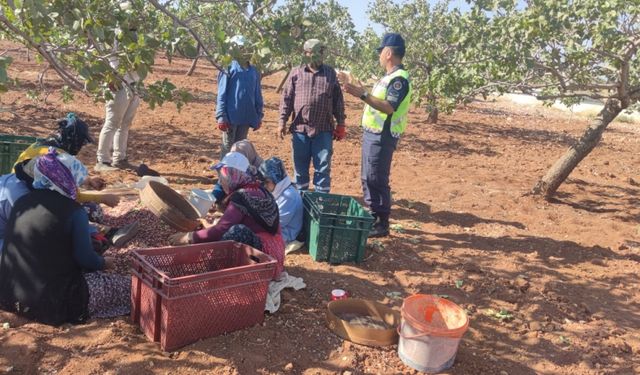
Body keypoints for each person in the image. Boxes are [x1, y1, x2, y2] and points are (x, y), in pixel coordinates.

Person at [0, 149, 130, 325]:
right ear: (69, 181)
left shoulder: (23, 202)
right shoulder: (74, 212)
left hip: (9, 295)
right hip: (51, 303)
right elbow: (85, 259)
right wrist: (103, 263)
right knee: (129, 288)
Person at [169, 152, 285, 279]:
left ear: (233, 175)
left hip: (266, 256)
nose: (220, 181)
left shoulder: (242, 196)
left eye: (222, 176)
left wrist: (188, 237)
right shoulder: (258, 189)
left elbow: (221, 230)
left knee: (236, 232)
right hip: (276, 251)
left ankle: (214, 275)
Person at [341, 33, 412, 237]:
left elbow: (389, 107)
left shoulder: (399, 79)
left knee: (377, 177)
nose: (379, 56)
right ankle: (373, 215)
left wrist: (361, 94)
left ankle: (382, 223)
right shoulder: (389, 77)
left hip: (383, 136)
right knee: (367, 176)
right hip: (373, 134)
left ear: (388, 53)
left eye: (381, 52)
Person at [278, 39, 346, 193]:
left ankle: (321, 200)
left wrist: (341, 124)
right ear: (306, 54)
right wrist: (281, 121)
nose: (319, 56)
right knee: (300, 168)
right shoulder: (296, 72)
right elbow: (287, 99)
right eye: (315, 53)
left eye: (321, 53)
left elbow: (338, 101)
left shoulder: (330, 73)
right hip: (300, 129)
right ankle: (301, 199)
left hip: (323, 130)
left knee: (323, 168)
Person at [14, 113, 120, 208]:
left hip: (16, 190)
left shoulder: (42, 147)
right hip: (22, 198)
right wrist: (103, 198)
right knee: (80, 208)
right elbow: (75, 195)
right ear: (73, 139)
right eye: (81, 142)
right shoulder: (57, 157)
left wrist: (88, 180)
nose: (80, 146)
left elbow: (62, 176)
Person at [95, 28, 141, 172]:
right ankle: (102, 160)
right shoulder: (115, 36)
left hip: (133, 85)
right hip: (118, 85)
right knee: (112, 123)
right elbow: (102, 57)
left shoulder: (137, 37)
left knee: (125, 124)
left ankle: (120, 159)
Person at [216, 35, 264, 159]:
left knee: (240, 148)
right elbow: (222, 93)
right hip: (231, 117)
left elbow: (257, 93)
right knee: (228, 148)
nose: (244, 51)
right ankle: (224, 176)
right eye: (240, 48)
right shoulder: (228, 68)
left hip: (246, 117)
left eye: (245, 48)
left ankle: (237, 176)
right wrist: (221, 116)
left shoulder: (254, 71)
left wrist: (258, 115)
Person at [259, 157, 304, 254]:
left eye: (267, 182)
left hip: (284, 235)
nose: (264, 185)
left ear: (276, 179)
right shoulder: (279, 190)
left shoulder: (288, 197)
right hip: (276, 229)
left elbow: (273, 224)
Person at [212, 139, 263, 205]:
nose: (235, 157)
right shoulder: (232, 169)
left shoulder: (261, 173)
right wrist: (213, 198)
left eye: (238, 154)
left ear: (246, 154)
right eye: (233, 153)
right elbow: (220, 184)